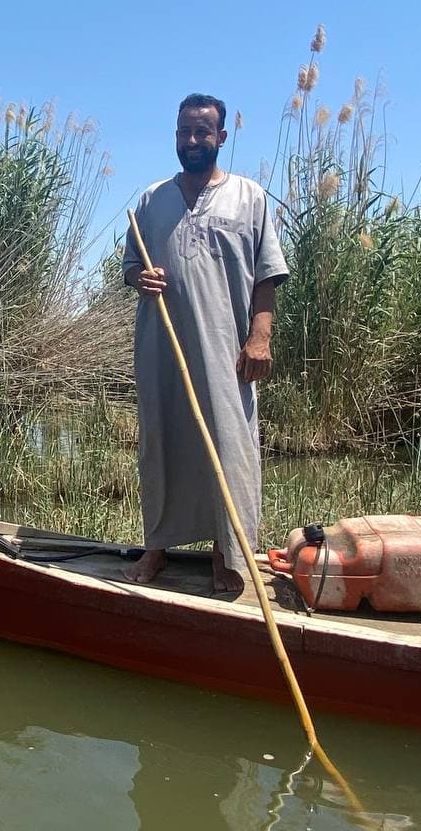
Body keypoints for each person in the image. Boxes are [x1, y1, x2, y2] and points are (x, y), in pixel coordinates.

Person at [121, 94, 289, 591]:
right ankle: (157, 548)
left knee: (230, 447)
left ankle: (227, 553)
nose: (191, 142)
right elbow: (131, 265)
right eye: (183, 133)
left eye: (201, 132)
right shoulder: (151, 200)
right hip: (163, 350)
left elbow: (267, 275)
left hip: (225, 351)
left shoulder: (250, 197)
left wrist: (260, 337)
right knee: (162, 441)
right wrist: (139, 279)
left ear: (220, 137)